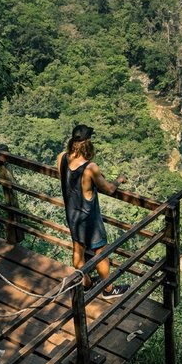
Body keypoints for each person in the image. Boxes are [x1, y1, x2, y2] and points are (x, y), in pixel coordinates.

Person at [57, 124, 129, 299]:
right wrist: (119, 180)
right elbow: (109, 189)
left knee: (78, 249)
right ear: (88, 142)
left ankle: (87, 283)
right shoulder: (90, 168)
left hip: (72, 215)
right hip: (89, 218)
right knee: (101, 253)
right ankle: (109, 290)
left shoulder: (62, 158)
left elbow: (66, 180)